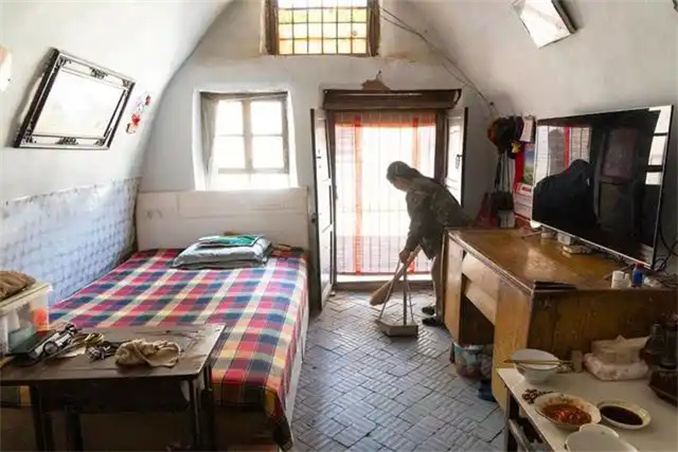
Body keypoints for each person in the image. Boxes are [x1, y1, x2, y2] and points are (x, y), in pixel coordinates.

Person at [386, 161, 472, 326]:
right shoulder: (423, 183)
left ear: (398, 179)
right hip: (453, 231)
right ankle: (440, 305)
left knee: (438, 273)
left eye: (394, 183)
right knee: (441, 272)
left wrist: (408, 248)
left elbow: (418, 223)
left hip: (452, 233)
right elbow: (425, 219)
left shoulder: (417, 190)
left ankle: (442, 315)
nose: (396, 187)